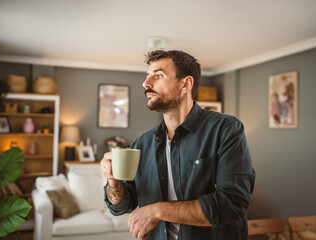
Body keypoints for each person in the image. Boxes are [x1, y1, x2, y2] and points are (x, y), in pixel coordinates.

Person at [100, 50, 255, 240]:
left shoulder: (226, 129)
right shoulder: (142, 143)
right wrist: (112, 180)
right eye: (147, 76)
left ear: (185, 84)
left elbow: (232, 204)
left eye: (158, 76)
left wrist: (158, 211)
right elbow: (121, 206)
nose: (146, 84)